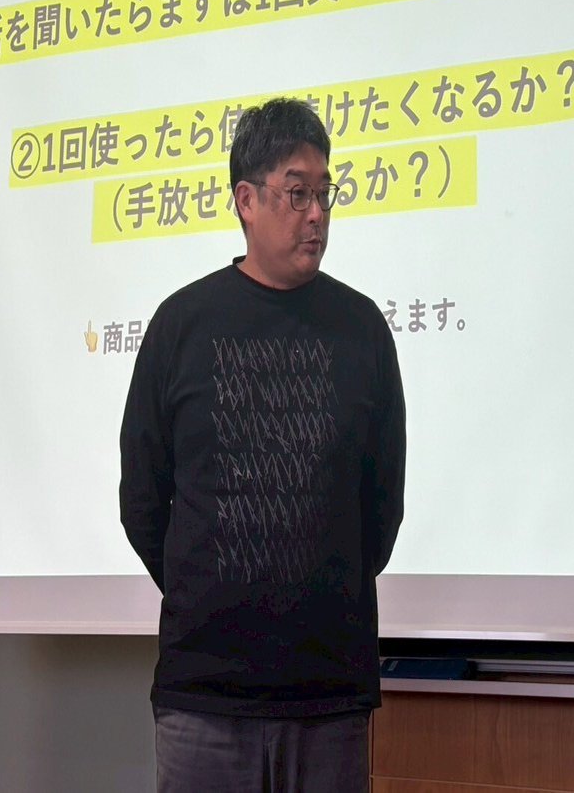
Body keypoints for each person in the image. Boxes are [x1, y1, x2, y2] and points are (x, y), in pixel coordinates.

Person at [119, 97, 406, 793]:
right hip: (204, 695)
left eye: (325, 193)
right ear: (246, 200)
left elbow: (382, 505)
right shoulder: (181, 325)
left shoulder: (362, 329)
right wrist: (206, 593)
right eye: (297, 193)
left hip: (327, 697)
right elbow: (142, 500)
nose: (317, 214)